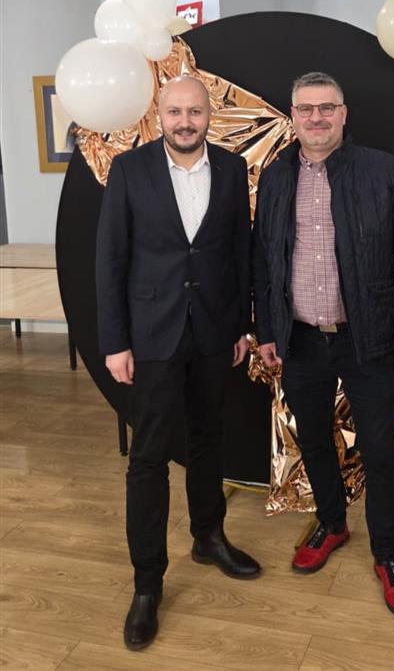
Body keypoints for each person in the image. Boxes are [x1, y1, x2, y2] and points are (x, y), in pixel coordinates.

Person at [252, 71, 394, 616]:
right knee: (314, 440)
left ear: (343, 114)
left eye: (326, 107)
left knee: (380, 453)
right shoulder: (276, 177)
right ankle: (332, 523)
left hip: (368, 338)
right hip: (301, 339)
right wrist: (267, 330)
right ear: (293, 116)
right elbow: (263, 260)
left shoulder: (382, 170)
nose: (317, 117)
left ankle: (388, 554)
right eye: (306, 109)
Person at [96, 76, 261, 651]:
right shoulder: (129, 170)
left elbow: (239, 250)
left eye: (194, 111)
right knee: (148, 458)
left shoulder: (232, 169)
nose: (185, 121)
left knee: (208, 438)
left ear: (209, 115)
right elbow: (110, 259)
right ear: (159, 115)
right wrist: (115, 342)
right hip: (151, 335)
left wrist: (241, 324)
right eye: (174, 111)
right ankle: (147, 584)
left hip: (214, 331)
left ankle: (208, 537)